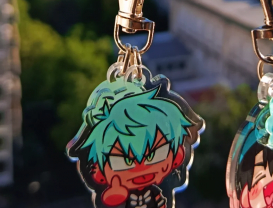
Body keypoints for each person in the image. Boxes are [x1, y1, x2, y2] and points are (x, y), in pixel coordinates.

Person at [68, 84, 197, 208]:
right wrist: (115, 192)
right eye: (124, 161)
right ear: (100, 173)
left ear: (177, 156)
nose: (140, 167)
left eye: (154, 155)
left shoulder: (157, 193)